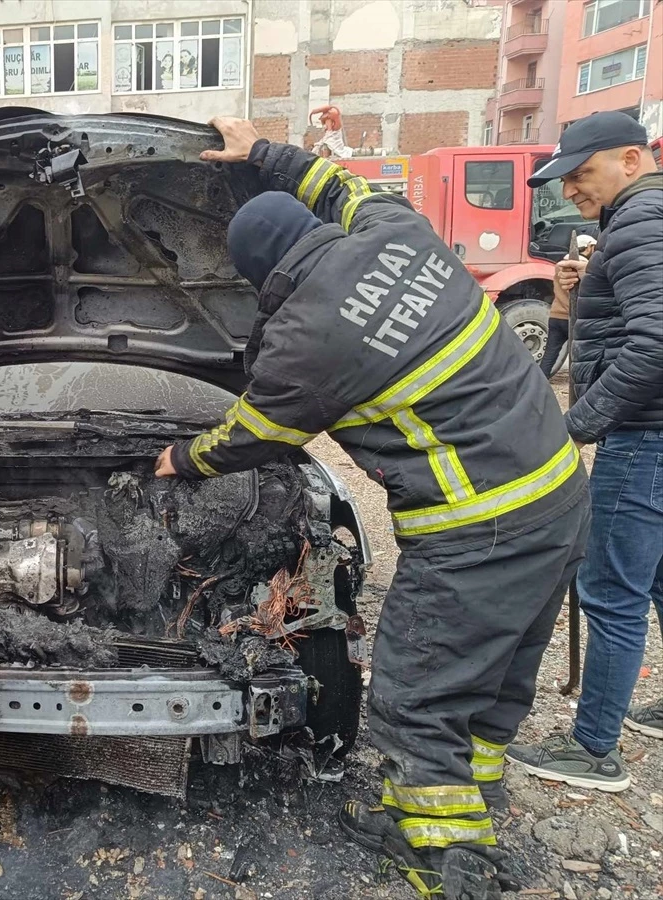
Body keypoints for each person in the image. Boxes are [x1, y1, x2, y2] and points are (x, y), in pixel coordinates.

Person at [156, 117, 590, 900]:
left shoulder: (305, 338)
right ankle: (473, 795)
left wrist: (180, 459)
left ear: (259, 279)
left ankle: (441, 856)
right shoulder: (399, 229)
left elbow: (252, 432)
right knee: (495, 671)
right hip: (556, 493)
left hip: (478, 526)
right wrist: (261, 152)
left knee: (417, 685)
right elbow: (337, 183)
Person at [507, 111, 663, 790]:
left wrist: (582, 424)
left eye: (581, 173)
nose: (571, 189)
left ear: (631, 159)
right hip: (651, 431)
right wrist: (571, 306)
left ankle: (594, 748)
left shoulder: (640, 226)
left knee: (610, 590)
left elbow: (655, 344)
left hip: (644, 436)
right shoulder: (634, 225)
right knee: (654, 578)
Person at [539, 234, 596, 378]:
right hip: (574, 317)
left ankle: (540, 380)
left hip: (556, 315)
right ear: (589, 247)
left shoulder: (559, 265)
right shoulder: (587, 268)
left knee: (550, 354)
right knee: (579, 355)